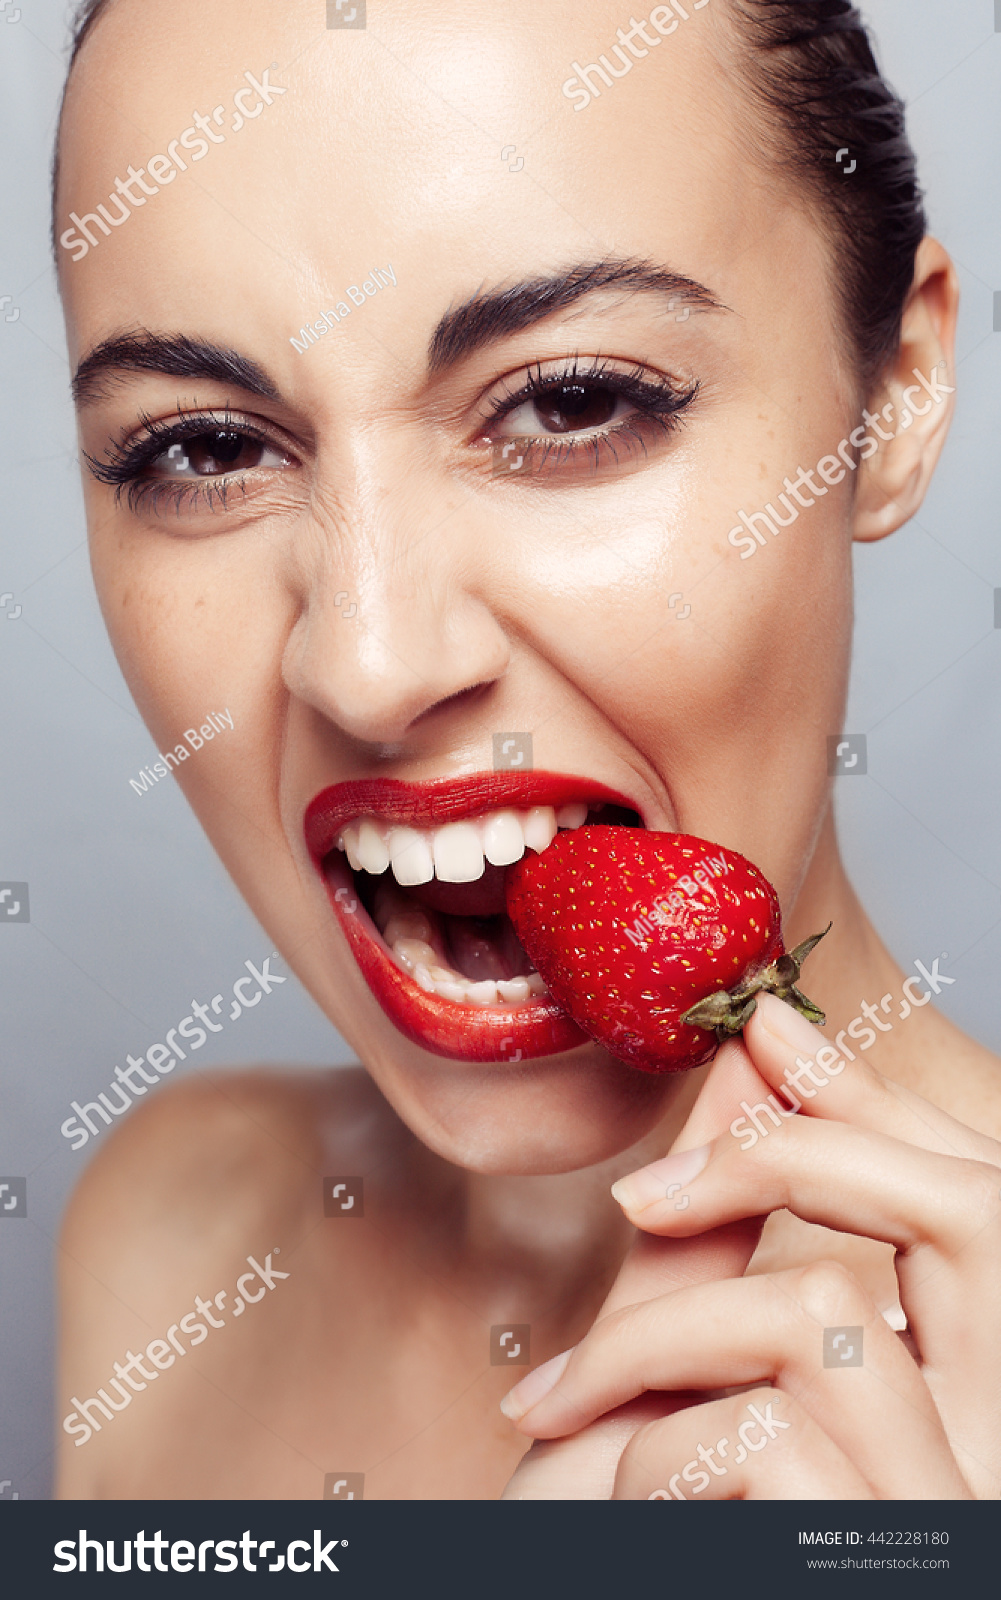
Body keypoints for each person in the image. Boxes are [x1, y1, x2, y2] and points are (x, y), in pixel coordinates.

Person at [54, 0, 1000, 1500]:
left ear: (889, 399)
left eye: (572, 403)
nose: (366, 661)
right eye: (205, 447)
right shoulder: (169, 1223)